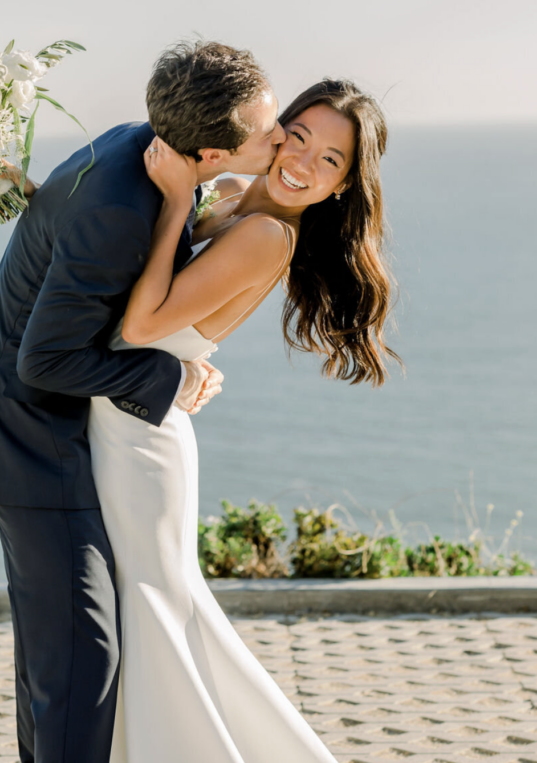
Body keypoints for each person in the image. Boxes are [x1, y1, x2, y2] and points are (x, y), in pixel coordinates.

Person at [0, 40, 286, 763]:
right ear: (213, 154)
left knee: (58, 664)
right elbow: (49, 357)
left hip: (37, 421)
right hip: (33, 438)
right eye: (267, 130)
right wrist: (172, 380)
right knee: (80, 665)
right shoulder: (125, 208)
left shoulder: (138, 144)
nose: (280, 137)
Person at [86, 77, 398, 762]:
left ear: (344, 186)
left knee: (152, 616)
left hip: (138, 440)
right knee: (163, 616)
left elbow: (140, 325)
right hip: (131, 416)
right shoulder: (231, 200)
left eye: (330, 162)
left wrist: (173, 199)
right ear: (274, 130)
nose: (302, 163)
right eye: (300, 137)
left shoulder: (265, 234)